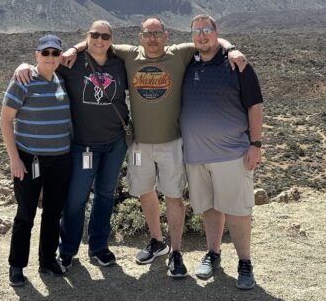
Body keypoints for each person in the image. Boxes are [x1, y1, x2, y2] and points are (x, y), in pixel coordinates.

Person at [66, 16, 247, 279]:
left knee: (174, 196)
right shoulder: (129, 54)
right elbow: (96, 43)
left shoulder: (180, 53)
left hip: (172, 142)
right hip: (139, 144)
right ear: (140, 37)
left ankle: (176, 252)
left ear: (166, 36)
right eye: (147, 34)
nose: (152, 39)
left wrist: (232, 49)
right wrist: (73, 49)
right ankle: (156, 241)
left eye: (157, 33)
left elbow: (210, 40)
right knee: (145, 191)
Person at [14, 21, 130, 268]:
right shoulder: (70, 63)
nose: (100, 40)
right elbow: (45, 67)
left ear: (111, 39)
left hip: (115, 143)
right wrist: (23, 66)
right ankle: (67, 249)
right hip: (82, 145)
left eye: (105, 36)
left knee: (105, 195)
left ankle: (99, 247)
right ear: (87, 36)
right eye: (94, 35)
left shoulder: (120, 64)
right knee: (75, 200)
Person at [180, 14, 263, 290]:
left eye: (207, 30)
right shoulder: (186, 64)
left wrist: (256, 144)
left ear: (216, 33)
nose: (201, 35)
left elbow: (255, 105)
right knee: (209, 207)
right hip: (196, 155)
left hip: (231, 153)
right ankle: (213, 253)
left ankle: (245, 263)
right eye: (196, 31)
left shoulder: (236, 65)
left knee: (239, 210)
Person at [0, 34, 72, 287]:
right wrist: (14, 159)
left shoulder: (61, 81)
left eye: (55, 53)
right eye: (46, 53)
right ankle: (16, 266)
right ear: (36, 55)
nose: (51, 57)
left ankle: (47, 260)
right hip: (30, 159)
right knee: (26, 214)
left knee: (53, 213)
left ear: (60, 56)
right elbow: (5, 121)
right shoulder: (23, 80)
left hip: (61, 159)